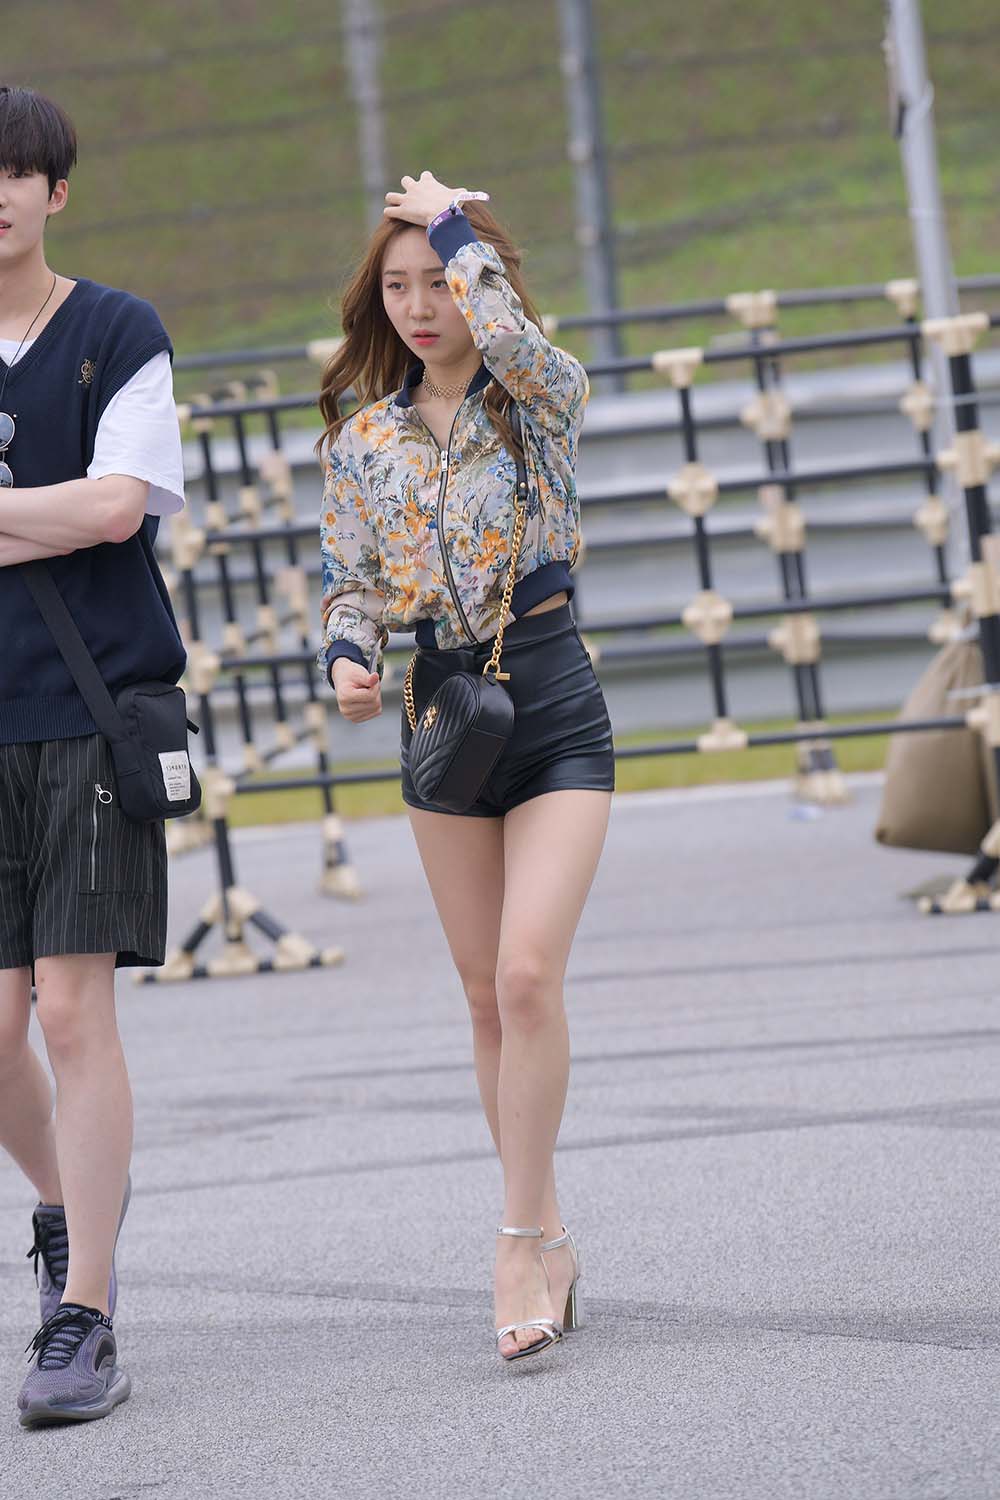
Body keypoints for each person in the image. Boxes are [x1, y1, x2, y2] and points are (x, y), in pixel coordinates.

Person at [318, 171, 614, 1362]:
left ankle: (511, 1244)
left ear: (477, 282)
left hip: (551, 700)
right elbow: (351, 581)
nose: (419, 306)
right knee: (486, 995)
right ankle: (549, 1230)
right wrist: (349, 653)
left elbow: (522, 348)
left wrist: (453, 226)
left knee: (529, 974)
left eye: (438, 282)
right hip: (442, 711)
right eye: (398, 287)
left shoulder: (536, 399)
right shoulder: (363, 441)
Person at [0, 86, 186, 1424]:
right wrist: (42, 515)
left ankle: (86, 1315)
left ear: (55, 191)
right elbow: (81, 513)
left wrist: (54, 514)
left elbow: (120, 506)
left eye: (17, 172)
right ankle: (70, 1210)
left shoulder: (117, 332)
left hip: (86, 710)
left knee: (72, 1013)